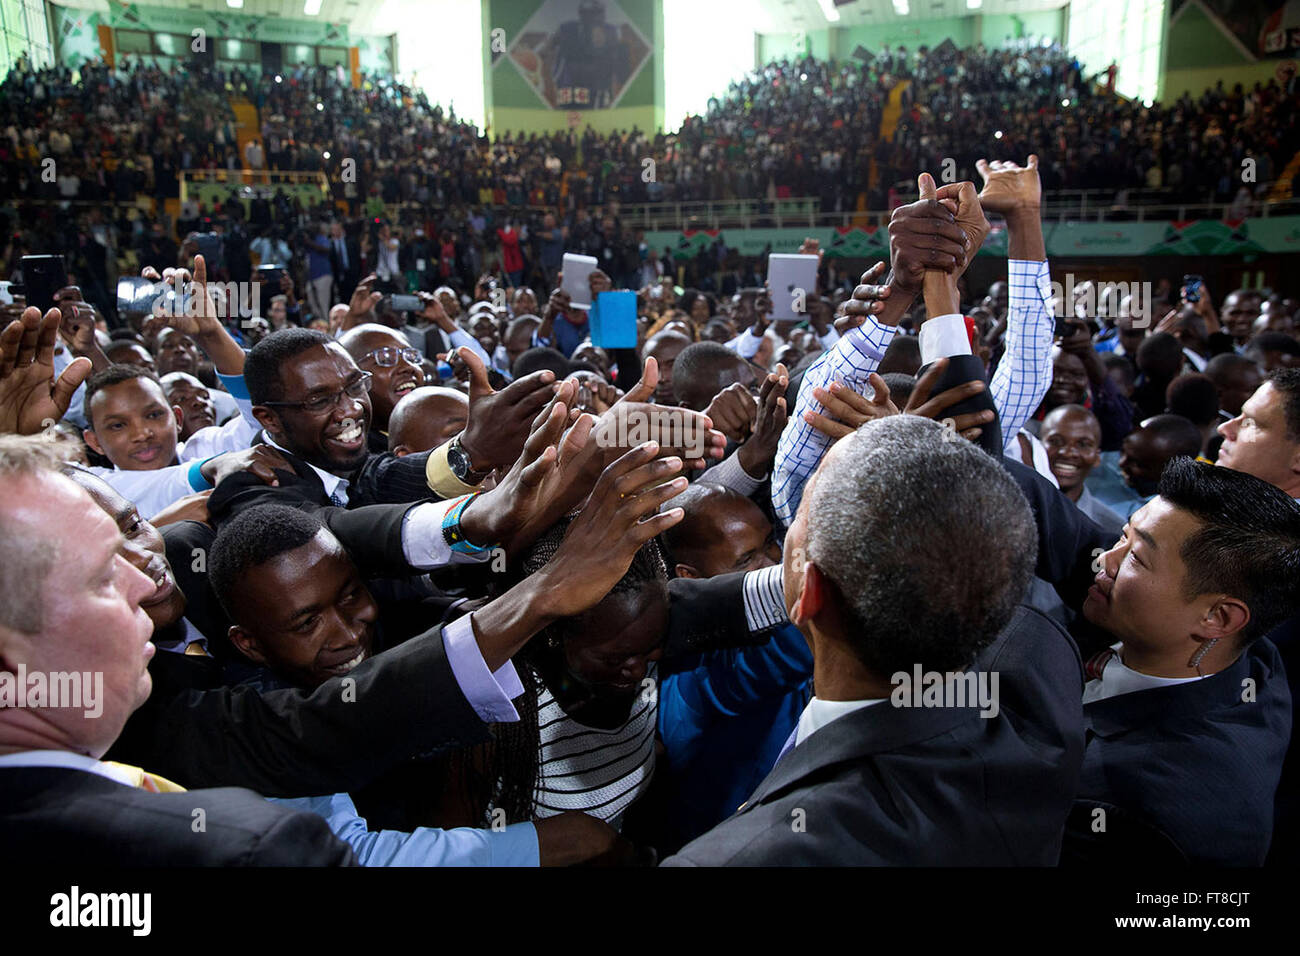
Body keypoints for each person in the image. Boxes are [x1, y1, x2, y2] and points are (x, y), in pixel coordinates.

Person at [665, 416, 1081, 865]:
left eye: (799, 518)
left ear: (809, 593)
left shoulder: (747, 856)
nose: (776, 555)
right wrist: (920, 459)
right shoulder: (1041, 669)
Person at [1040, 404, 1122, 535]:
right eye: (1056, 441)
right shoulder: (1011, 505)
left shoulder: (1112, 530)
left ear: (1097, 457)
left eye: (1083, 444)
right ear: (1037, 447)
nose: (1067, 453)